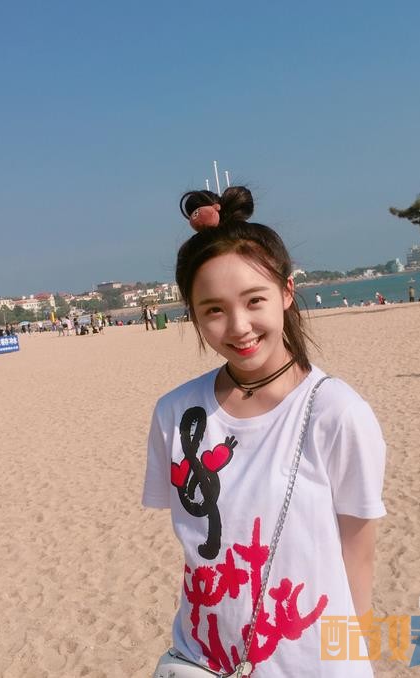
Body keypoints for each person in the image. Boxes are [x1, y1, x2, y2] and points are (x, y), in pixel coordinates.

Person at [143, 186, 386, 677]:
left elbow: (358, 557)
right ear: (193, 314)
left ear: (287, 293)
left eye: (255, 300)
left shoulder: (337, 412)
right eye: (213, 309)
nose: (238, 326)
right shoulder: (175, 412)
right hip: (199, 659)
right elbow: (200, 548)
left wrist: (358, 658)